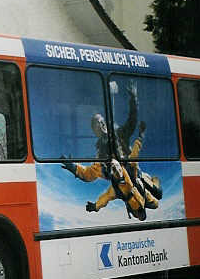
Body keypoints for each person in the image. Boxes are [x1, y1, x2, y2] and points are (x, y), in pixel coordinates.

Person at [61, 82, 162, 221]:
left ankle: (153, 182)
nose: (101, 124)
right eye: (97, 124)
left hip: (137, 174)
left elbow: (131, 122)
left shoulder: (119, 133)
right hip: (126, 186)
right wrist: (73, 167)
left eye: (102, 121)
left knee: (157, 193)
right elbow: (89, 175)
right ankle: (141, 205)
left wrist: (133, 99)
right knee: (147, 204)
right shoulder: (101, 158)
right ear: (95, 131)